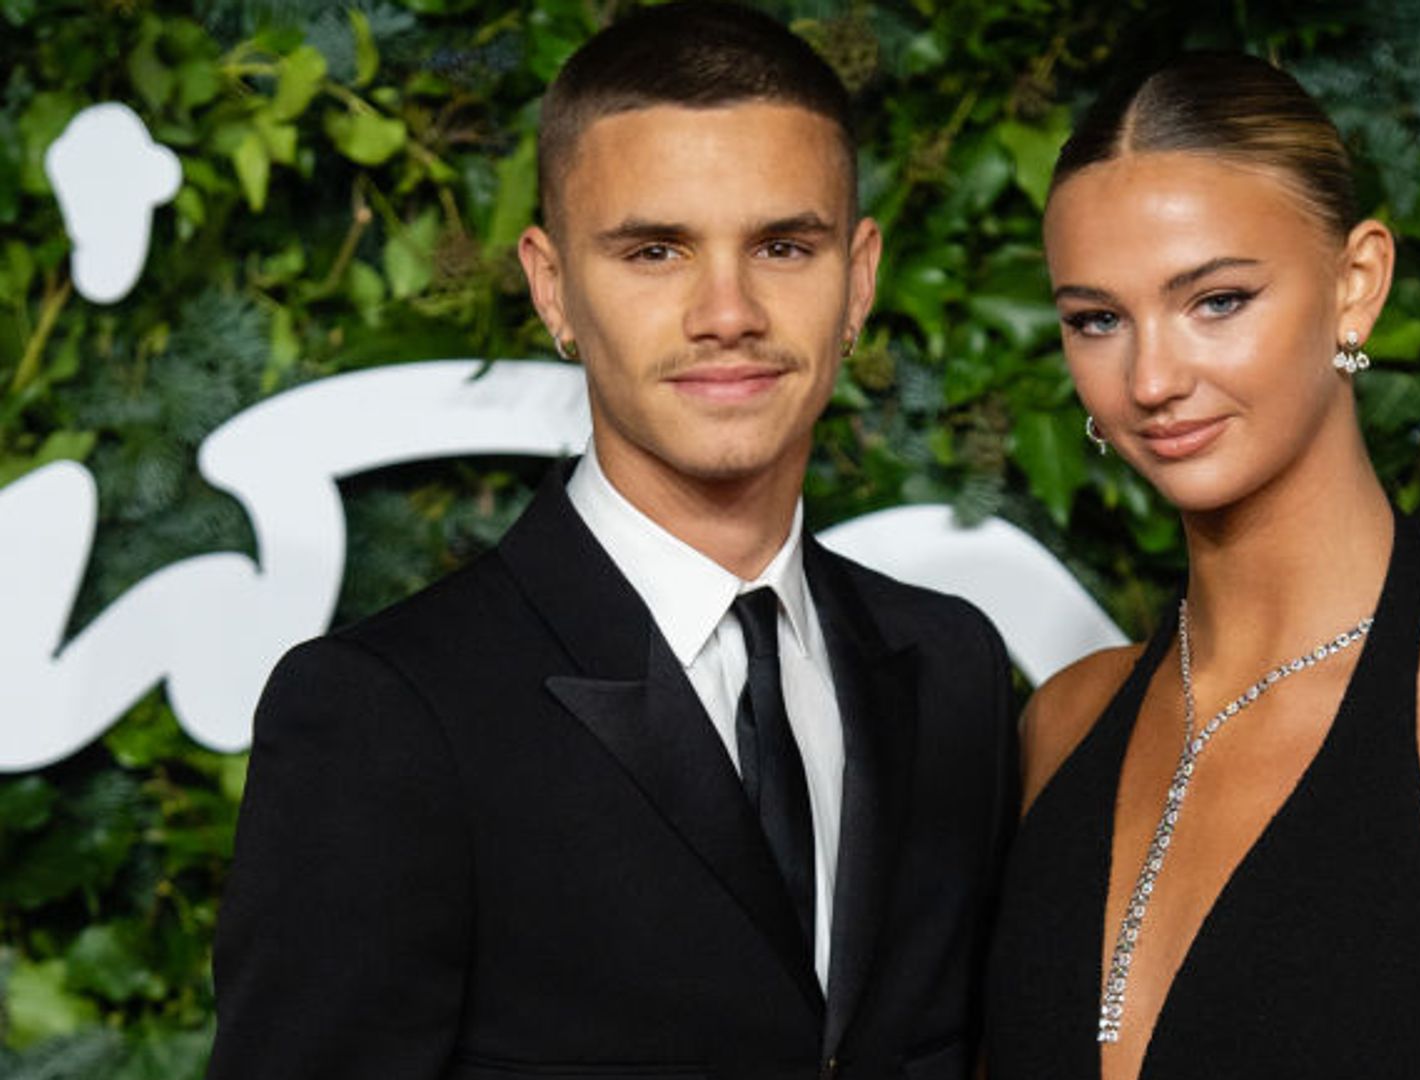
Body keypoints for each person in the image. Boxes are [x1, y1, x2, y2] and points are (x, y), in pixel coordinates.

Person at [208, 6, 1017, 1079]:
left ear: (858, 279)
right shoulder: (385, 715)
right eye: (654, 250)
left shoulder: (949, 667)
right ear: (553, 289)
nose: (726, 311)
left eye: (783, 246)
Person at [984, 52, 1420, 1080]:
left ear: (1357, 285)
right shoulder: (1064, 721)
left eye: (1216, 300)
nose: (1153, 378)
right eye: (1097, 320)